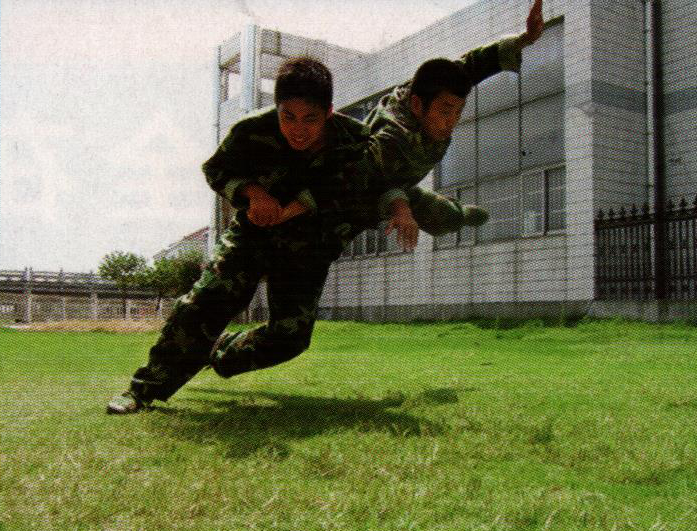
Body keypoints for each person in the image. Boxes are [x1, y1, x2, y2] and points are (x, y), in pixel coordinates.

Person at [106, 57, 393, 413]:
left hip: (308, 246)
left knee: (291, 337)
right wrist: (252, 193)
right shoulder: (250, 131)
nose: (298, 130)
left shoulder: (354, 140)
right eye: (288, 117)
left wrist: (398, 208)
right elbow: (216, 170)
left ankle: (220, 354)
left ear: (329, 113)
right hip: (254, 234)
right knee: (204, 303)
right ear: (277, 109)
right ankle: (142, 390)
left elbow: (370, 181)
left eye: (310, 119)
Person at [276, 0, 545, 251]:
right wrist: (401, 209)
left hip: (395, 180)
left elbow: (470, 66)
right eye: (445, 112)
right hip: (361, 194)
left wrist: (526, 39)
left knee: (443, 217)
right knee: (418, 211)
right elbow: (356, 179)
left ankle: (457, 215)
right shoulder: (392, 139)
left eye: (458, 112)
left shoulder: (430, 87)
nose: (451, 121)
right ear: (417, 105)